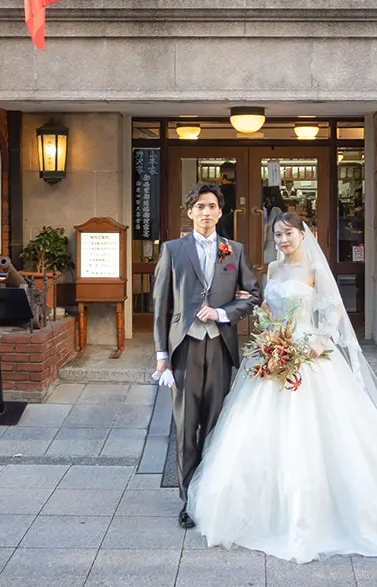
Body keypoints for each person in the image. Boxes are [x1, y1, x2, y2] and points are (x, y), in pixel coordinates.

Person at [186, 215, 377, 563]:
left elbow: (334, 311)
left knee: (322, 431)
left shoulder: (315, 271)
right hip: (273, 350)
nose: (283, 239)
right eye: (277, 234)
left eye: (289, 233)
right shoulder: (271, 268)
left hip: (308, 351)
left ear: (304, 235)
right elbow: (268, 310)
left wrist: (320, 341)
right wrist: (265, 328)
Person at [152, 182, 263, 529]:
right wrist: (161, 355)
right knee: (186, 428)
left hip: (220, 346)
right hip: (184, 348)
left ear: (220, 211)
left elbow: (254, 295)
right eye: (200, 206)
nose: (206, 212)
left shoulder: (235, 250)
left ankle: (213, 497)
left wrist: (224, 312)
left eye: (212, 206)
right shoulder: (172, 249)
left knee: (216, 426)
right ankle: (189, 501)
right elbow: (160, 305)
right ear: (190, 212)